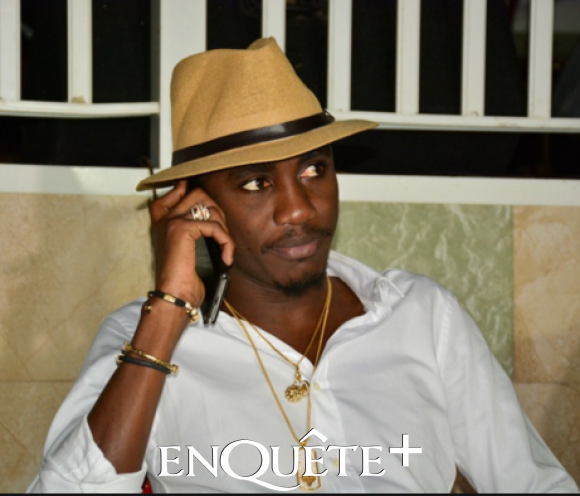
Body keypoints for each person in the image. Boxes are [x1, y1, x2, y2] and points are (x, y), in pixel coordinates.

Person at [28, 37, 578, 493]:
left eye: (314, 170)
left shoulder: (420, 315)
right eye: (255, 183)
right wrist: (169, 311)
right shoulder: (142, 338)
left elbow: (533, 483)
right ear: (198, 205)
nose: (299, 209)